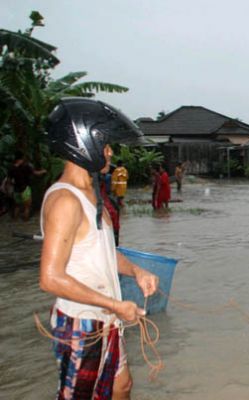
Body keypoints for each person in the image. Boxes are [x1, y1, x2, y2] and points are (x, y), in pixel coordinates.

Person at [40, 98, 158, 399]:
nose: (109, 151)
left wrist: (136, 271)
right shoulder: (65, 201)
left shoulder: (92, 195)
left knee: (123, 386)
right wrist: (117, 306)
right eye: (105, 144)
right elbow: (50, 278)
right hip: (83, 321)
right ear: (83, 142)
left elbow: (102, 253)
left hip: (106, 317)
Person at [8, 151, 46, 220]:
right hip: (25, 189)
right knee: (27, 207)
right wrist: (43, 171)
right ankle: (25, 219)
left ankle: (14, 220)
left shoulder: (11, 168)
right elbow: (36, 173)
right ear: (21, 158)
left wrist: (9, 189)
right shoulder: (26, 166)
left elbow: (9, 180)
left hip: (16, 189)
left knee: (17, 206)